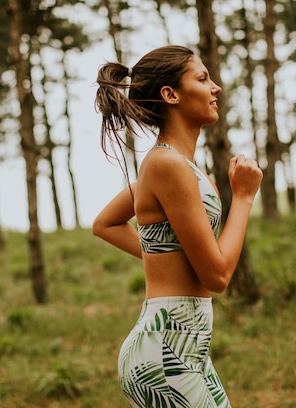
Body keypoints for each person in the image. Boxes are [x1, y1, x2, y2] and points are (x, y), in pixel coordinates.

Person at [92, 45, 263, 408]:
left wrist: (165, 260)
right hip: (166, 351)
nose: (215, 87)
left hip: (188, 348)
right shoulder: (166, 165)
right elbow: (217, 276)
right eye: (202, 79)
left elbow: (105, 224)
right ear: (171, 95)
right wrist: (244, 198)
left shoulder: (178, 168)